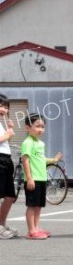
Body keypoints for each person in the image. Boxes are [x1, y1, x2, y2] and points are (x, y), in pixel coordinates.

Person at [21, 113, 62, 240]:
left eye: (43, 127)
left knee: (38, 206)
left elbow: (41, 159)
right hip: (33, 179)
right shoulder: (27, 142)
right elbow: (25, 160)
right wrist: (29, 178)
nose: (40, 129)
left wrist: (54, 159)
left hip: (42, 178)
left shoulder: (40, 143)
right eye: (37, 126)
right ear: (27, 128)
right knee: (32, 206)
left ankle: (37, 228)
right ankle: (31, 231)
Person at [0, 94, 18, 239]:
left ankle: (2, 224)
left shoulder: (2, 123)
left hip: (6, 158)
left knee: (10, 196)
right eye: (1, 106)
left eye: (6, 107)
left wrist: (10, 132)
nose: (4, 109)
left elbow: (5, 141)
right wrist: (6, 135)